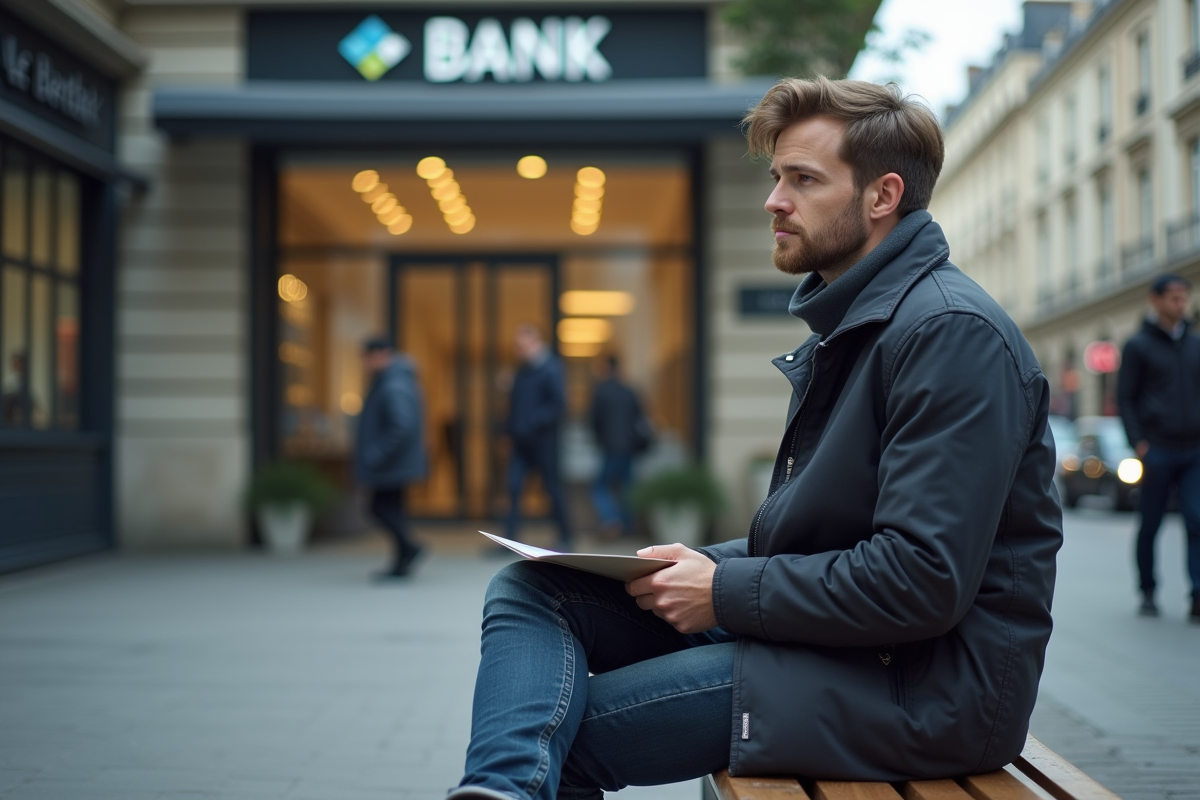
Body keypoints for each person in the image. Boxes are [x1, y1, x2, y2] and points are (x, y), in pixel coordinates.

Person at [447, 77, 1062, 800]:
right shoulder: (869, 324)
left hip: (923, 688)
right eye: (777, 178)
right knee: (535, 588)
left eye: (803, 179)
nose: (774, 200)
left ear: (882, 196)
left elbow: (920, 581)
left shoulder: (950, 334)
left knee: (566, 741)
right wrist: (693, 566)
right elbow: (833, 538)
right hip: (847, 651)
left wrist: (723, 589)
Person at [1116, 274, 1200, 621]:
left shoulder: (1195, 344)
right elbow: (1125, 397)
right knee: (1150, 522)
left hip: (1194, 450)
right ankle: (1148, 589)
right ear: (1156, 300)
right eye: (1173, 298)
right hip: (1157, 449)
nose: (1180, 304)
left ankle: (1197, 594)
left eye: (1184, 298)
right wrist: (1139, 442)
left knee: (1197, 521)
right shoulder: (1138, 346)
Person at [354, 336, 428, 579]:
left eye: (367, 358)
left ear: (381, 355)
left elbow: (401, 426)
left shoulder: (393, 383)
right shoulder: (393, 380)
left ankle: (409, 548)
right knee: (390, 509)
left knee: (379, 508)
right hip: (395, 464)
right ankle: (402, 559)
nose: (365, 363)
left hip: (392, 464)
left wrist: (378, 454)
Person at [505, 324, 572, 549]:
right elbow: (513, 407)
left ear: (535, 343)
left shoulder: (551, 369)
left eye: (522, 345)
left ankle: (566, 536)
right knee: (513, 487)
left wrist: (532, 422)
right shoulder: (521, 371)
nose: (518, 350)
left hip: (543, 443)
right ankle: (510, 538)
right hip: (521, 443)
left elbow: (558, 405)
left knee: (552, 489)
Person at [588, 356, 646, 538]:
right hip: (629, 447)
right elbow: (640, 418)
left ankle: (611, 520)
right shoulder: (630, 391)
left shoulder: (601, 391)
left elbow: (593, 421)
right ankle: (627, 527)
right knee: (627, 488)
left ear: (606, 367)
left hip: (610, 447)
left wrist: (598, 439)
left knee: (600, 486)